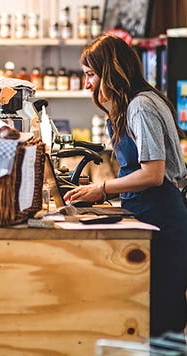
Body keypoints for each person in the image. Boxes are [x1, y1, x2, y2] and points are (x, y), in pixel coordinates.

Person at [65, 33, 187, 337]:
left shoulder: (140, 107)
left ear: (111, 71)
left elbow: (153, 174)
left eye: (91, 74)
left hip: (163, 218)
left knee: (161, 315)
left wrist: (102, 189)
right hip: (151, 212)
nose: (88, 83)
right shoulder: (134, 104)